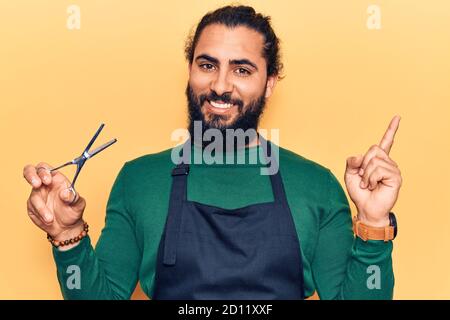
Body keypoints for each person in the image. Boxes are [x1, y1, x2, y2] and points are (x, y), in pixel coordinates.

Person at [23, 5, 402, 299]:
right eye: (208, 65)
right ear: (190, 71)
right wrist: (68, 235)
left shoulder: (315, 184)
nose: (220, 85)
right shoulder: (139, 180)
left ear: (269, 84)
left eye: (242, 70)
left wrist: (373, 224)